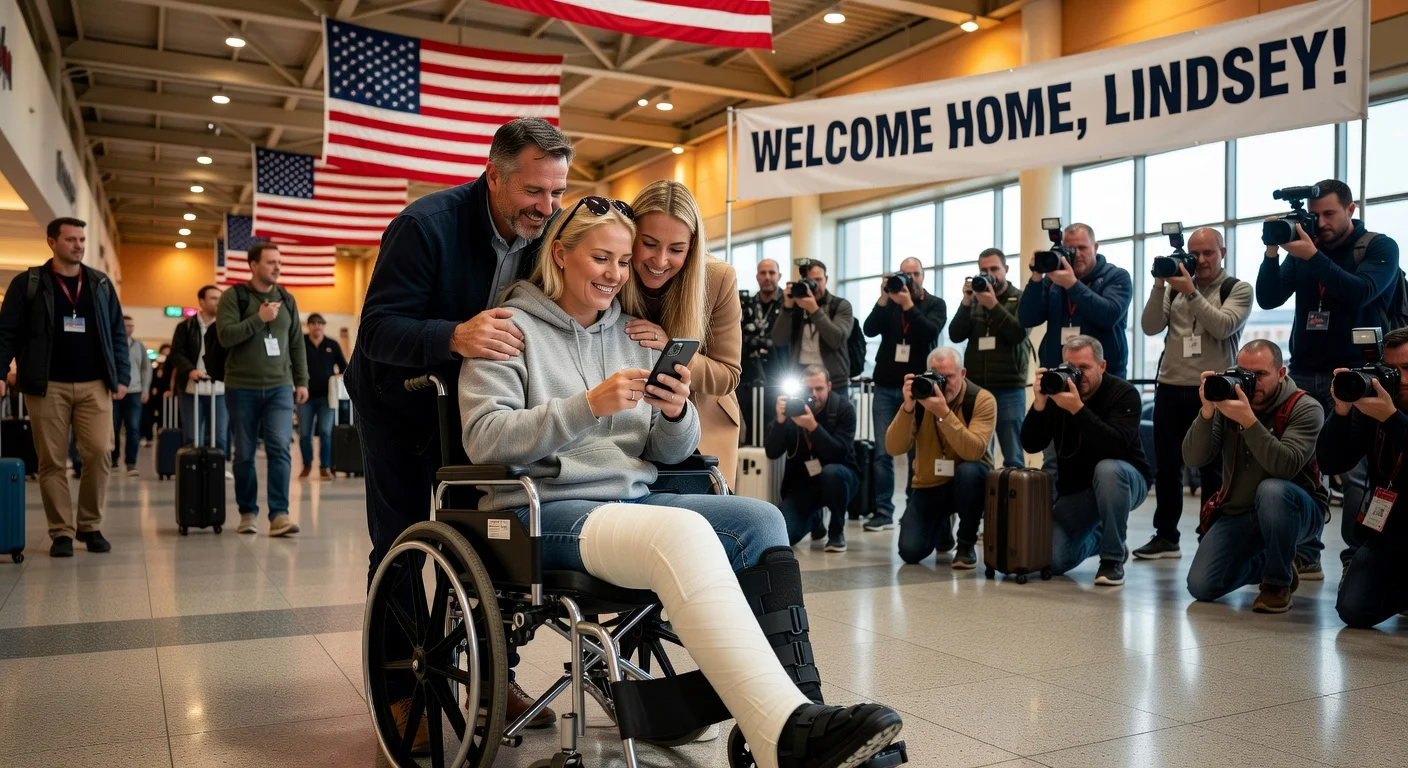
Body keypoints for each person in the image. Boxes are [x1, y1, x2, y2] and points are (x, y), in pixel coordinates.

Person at [459, 203, 902, 768]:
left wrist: (674, 414)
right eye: (601, 258)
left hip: (632, 501)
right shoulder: (509, 330)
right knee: (680, 531)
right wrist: (586, 407)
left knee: (762, 519)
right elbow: (484, 438)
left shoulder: (634, 335)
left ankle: (801, 712)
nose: (616, 274)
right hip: (546, 510)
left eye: (623, 261)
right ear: (560, 254)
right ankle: (781, 738)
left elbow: (667, 452)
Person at [347, 118, 574, 730]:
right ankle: (402, 690)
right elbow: (376, 332)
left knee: (491, 545)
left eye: (556, 193)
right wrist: (454, 334)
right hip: (399, 406)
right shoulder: (424, 227)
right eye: (534, 191)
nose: (546, 207)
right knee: (403, 547)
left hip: (476, 412)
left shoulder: (550, 232)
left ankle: (493, 678)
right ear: (494, 176)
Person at [1256, 179, 1402, 578]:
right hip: (1304, 369)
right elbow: (1268, 298)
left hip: (1357, 375)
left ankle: (1357, 557)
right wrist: (1273, 249)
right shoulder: (1306, 249)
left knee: (1354, 472)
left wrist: (1312, 256)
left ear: (1351, 209)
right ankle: (1307, 552)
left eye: (1329, 214)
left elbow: (1361, 292)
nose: (1320, 223)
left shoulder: (1377, 247)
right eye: (1315, 215)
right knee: (1303, 466)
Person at [0, 217, 129, 557]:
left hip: (95, 384)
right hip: (47, 386)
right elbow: (7, 333)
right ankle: (61, 532)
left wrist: (123, 376)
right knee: (52, 461)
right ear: (51, 242)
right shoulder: (29, 283)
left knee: (101, 451)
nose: (79, 245)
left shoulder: (99, 284)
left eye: (82, 239)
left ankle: (90, 525)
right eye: (71, 239)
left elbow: (118, 332)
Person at [1183, 340, 1327, 612]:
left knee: (1272, 490)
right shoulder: (1228, 403)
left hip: (1295, 508)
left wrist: (1249, 421)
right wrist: (1206, 411)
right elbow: (1193, 458)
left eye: (1260, 374)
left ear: (1282, 373)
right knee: (1201, 586)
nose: (1250, 381)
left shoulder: (1305, 407)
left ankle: (1277, 583)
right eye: (1243, 372)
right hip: (1241, 512)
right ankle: (1267, 563)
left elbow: (1285, 466)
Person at [1135, 228, 1253, 560]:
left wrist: (1190, 293)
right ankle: (1166, 536)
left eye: (1208, 253)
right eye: (1195, 253)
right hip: (1171, 386)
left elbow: (1222, 326)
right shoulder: (1174, 289)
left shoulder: (1237, 288)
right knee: (1167, 467)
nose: (1200, 260)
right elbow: (1148, 326)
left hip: (1214, 391)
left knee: (1212, 469)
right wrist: (1160, 283)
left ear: (1223, 253)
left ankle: (1210, 535)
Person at [624, 180, 742, 486]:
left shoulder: (718, 278)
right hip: (626, 421)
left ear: (692, 248)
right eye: (649, 244)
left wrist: (673, 351)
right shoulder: (613, 268)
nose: (660, 261)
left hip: (702, 422)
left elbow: (728, 374)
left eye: (676, 250)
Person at [1021, 336, 1151, 587]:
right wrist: (1039, 406)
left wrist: (1077, 409)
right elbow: (1031, 444)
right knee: (1052, 560)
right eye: (1070, 368)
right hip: (1080, 491)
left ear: (1102, 366)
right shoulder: (1058, 392)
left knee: (1108, 470)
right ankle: (1101, 537)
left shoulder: (1124, 393)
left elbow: (1113, 445)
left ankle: (1112, 558)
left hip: (1126, 479)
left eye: (1084, 368)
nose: (1076, 375)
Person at [217, 243, 309, 537]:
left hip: (280, 388)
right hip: (241, 386)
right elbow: (225, 336)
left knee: (280, 448)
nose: (277, 267)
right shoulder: (235, 297)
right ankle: (247, 512)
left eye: (279, 262)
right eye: (271, 262)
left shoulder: (287, 299)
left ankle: (279, 514)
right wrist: (259, 319)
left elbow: (296, 342)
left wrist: (302, 380)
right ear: (253, 265)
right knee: (244, 452)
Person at [1322, 328, 1408, 627]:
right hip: (1389, 532)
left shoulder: (1386, 413)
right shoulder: (1375, 408)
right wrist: (1343, 410)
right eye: (1393, 370)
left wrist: (1393, 419)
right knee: (1354, 610)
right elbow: (1331, 462)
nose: (1402, 379)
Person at [887, 347, 995, 568]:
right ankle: (942, 528)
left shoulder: (981, 400)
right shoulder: (919, 399)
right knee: (910, 551)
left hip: (968, 483)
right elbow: (893, 447)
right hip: (930, 484)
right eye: (937, 376)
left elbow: (974, 451)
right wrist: (907, 407)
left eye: (949, 376)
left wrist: (944, 414)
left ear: (963, 373)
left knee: (971, 472)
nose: (942, 382)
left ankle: (966, 543)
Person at [862, 257, 946, 532]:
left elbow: (928, 332)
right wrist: (884, 298)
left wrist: (908, 305)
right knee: (883, 453)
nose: (910, 279)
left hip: (920, 389)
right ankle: (883, 510)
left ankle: (913, 508)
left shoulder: (935, 304)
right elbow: (869, 329)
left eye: (915, 274)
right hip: (886, 387)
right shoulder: (890, 305)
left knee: (916, 453)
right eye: (905, 274)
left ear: (923, 276)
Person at [1018, 223, 1133, 378]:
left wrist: (1071, 284)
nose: (1077, 254)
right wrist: (1036, 277)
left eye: (1082, 248)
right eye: (1071, 249)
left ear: (1095, 247)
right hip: (1058, 372)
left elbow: (1109, 315)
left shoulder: (1116, 276)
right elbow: (1027, 318)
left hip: (1103, 375)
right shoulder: (1053, 281)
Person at [765, 364, 860, 552]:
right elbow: (773, 452)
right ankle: (814, 519)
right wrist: (780, 421)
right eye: (808, 389)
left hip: (840, 478)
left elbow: (839, 453)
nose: (814, 394)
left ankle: (836, 531)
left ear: (830, 387)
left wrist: (813, 427)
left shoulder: (842, 408)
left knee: (831, 473)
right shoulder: (791, 409)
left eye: (819, 389)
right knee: (784, 535)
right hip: (803, 485)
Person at [950, 248, 1029, 468]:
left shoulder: (1020, 297)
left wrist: (993, 305)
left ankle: (1015, 500)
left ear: (1006, 269)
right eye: (983, 270)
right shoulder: (974, 299)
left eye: (994, 268)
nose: (989, 274)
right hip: (976, 387)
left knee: (1013, 455)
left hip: (1009, 387)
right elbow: (955, 334)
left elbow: (1018, 334)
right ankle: (985, 501)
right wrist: (966, 301)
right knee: (978, 453)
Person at [771, 259, 854, 395]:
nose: (814, 286)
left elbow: (836, 339)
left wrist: (814, 310)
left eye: (818, 280)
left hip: (833, 382)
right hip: (800, 381)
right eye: (809, 281)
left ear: (826, 279)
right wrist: (787, 307)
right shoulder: (796, 307)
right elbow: (778, 340)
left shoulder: (840, 305)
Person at [168, 285, 229, 456]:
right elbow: (176, 353)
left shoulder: (225, 328)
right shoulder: (186, 327)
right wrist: (190, 370)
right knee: (192, 435)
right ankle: (192, 471)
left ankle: (218, 468)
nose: (218, 302)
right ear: (202, 301)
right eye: (213, 298)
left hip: (219, 388)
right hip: (190, 387)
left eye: (220, 298)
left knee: (219, 435)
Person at [299, 313, 349, 479]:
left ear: (324, 325)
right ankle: (307, 465)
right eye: (313, 323)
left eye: (320, 323)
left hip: (326, 398)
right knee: (305, 433)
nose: (317, 326)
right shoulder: (300, 343)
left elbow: (344, 367)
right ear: (309, 325)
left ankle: (324, 467)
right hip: (304, 397)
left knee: (325, 432)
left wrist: (338, 378)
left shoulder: (332, 345)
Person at [741, 258, 784, 443]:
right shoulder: (747, 304)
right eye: (763, 273)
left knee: (776, 427)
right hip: (749, 375)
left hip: (779, 374)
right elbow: (740, 338)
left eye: (772, 273)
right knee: (751, 428)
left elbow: (785, 340)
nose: (768, 277)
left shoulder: (788, 304)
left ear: (779, 276)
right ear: (757, 276)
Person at [111, 316, 151, 476]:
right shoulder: (112, 343)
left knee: (133, 428)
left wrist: (145, 389)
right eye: (127, 325)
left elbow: (146, 368)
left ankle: (131, 463)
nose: (130, 328)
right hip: (115, 392)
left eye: (132, 325)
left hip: (134, 392)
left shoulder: (138, 345)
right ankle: (113, 459)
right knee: (112, 428)